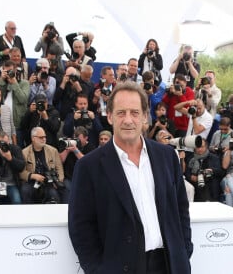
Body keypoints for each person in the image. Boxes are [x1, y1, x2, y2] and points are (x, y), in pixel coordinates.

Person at [68, 81, 193, 274]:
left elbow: (181, 209)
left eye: (135, 113)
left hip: (169, 265)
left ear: (144, 116)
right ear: (109, 116)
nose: (128, 120)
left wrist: (184, 251)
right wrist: (97, 269)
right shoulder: (88, 166)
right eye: (121, 112)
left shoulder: (167, 156)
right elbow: (80, 226)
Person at [20, 127, 67, 204]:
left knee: (54, 194)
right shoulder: (24, 152)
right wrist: (33, 176)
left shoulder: (53, 150)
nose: (44, 139)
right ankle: (29, 214)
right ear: (33, 138)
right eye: (41, 137)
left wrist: (58, 181)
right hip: (32, 181)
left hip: (49, 182)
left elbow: (60, 169)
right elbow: (21, 172)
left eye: (45, 137)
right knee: (25, 190)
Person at [0, 60, 29, 148]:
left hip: (18, 125)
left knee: (17, 150)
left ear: (15, 71)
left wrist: (14, 83)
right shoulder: (2, 84)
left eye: (10, 71)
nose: (9, 73)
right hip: (3, 125)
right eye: (7, 71)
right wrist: (1, 79)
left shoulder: (24, 83)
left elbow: (23, 99)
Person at [155, 129, 195, 202]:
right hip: (163, 179)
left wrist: (182, 159)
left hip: (177, 178)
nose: (164, 136)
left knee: (190, 188)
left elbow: (182, 170)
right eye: (161, 135)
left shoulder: (175, 150)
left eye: (166, 134)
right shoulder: (155, 151)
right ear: (158, 141)